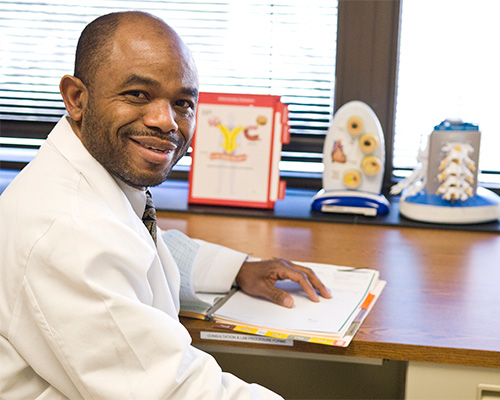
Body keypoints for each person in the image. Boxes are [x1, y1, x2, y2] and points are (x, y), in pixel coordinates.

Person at [0, 11, 331, 399]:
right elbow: (174, 392)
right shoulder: (67, 231)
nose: (166, 121)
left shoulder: (92, 178)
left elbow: (138, 242)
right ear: (77, 98)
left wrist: (235, 269)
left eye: (182, 103)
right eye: (138, 94)